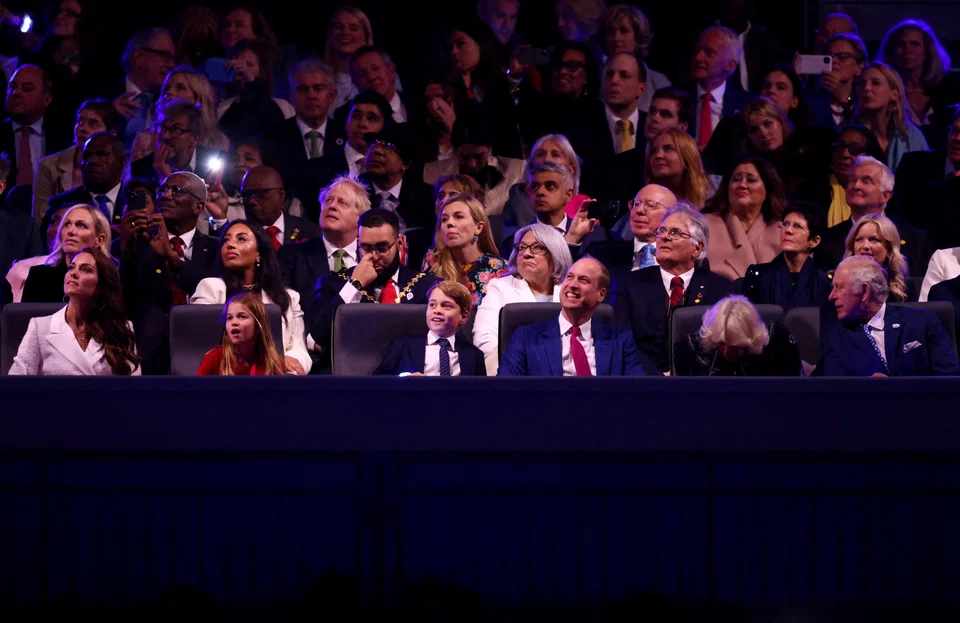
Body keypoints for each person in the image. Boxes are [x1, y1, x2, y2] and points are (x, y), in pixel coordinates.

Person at [612, 203, 732, 374]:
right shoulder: (629, 285)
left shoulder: (720, 289)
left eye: (675, 232)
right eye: (661, 231)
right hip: (644, 382)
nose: (664, 237)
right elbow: (623, 342)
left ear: (697, 248)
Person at [119, 172, 220, 374]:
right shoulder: (133, 245)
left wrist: (172, 257)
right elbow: (120, 299)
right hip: (145, 356)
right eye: (163, 190)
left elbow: (217, 290)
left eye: (176, 191)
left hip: (204, 350)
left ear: (198, 207)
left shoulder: (217, 249)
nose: (165, 196)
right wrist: (126, 249)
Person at [311, 209, 440, 364]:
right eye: (366, 247)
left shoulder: (427, 287)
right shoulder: (333, 283)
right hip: (351, 375)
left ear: (399, 244)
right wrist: (355, 285)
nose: (374, 256)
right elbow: (320, 335)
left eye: (382, 248)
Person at [190, 220, 312, 375]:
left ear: (259, 253)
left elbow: (299, 350)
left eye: (241, 239)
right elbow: (201, 342)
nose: (230, 244)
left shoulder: (288, 297)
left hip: (275, 380)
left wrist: (281, 365)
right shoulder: (210, 288)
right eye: (226, 240)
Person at [498, 257, 650, 376]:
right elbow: (506, 390)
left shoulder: (621, 341)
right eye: (570, 277)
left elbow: (637, 391)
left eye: (584, 280)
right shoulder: (526, 338)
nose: (573, 284)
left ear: (601, 294)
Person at [818, 255, 959, 376]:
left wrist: (894, 389)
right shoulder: (836, 336)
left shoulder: (923, 323)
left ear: (865, 291)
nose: (831, 296)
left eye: (839, 287)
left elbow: (949, 380)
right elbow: (835, 392)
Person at [10, 249, 140, 376]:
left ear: (101, 285)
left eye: (85, 269)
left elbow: (133, 389)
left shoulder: (122, 329)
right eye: (71, 267)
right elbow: (16, 384)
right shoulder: (40, 328)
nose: (74, 273)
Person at [473, 223, 572, 375]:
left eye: (537, 247)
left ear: (555, 253)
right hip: (515, 374)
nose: (526, 253)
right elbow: (484, 339)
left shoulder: (569, 290)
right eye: (522, 247)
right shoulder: (500, 287)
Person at [817, 155, 930, 275]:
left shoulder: (915, 239)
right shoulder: (827, 240)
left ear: (885, 195)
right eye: (852, 180)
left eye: (866, 181)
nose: (856, 186)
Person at [33, 99, 123, 224]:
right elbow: (41, 220)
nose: (83, 128)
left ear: (112, 133)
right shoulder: (49, 166)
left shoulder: (122, 165)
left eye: (93, 124)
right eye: (80, 121)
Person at [374, 280, 487, 376]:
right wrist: (404, 383)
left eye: (446, 306)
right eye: (432, 305)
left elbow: (481, 395)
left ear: (463, 317)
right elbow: (378, 382)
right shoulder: (403, 345)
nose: (437, 310)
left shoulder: (474, 355)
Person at [702, 156, 785, 282]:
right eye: (736, 179)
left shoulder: (783, 229)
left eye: (751, 180)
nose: (742, 185)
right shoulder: (703, 224)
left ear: (768, 189)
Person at [674, 295, 801, 376]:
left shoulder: (779, 339)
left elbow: (791, 387)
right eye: (721, 344)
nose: (727, 352)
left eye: (735, 346)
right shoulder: (688, 347)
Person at [742, 202, 832, 310]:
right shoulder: (758, 276)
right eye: (785, 224)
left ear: (814, 241)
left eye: (797, 226)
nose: (788, 230)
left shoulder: (826, 281)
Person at [422, 194, 507, 307]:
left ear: (478, 228)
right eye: (444, 219)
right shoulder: (433, 263)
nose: (449, 223)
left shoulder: (500, 269)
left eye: (459, 216)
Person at [1, 64, 73, 192]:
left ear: (46, 99)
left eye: (27, 88)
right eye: (12, 87)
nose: (16, 93)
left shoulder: (65, 137)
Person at [21, 203, 111, 303]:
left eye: (81, 225)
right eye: (67, 224)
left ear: (99, 240)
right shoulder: (39, 277)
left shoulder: (110, 279)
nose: (70, 231)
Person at [876, 19, 957, 129]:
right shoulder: (883, 90)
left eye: (914, 44)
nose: (907, 50)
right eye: (901, 44)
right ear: (891, 52)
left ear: (927, 51)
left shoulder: (950, 88)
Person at [127, 98, 229, 184]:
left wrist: (168, 178)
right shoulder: (141, 169)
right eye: (163, 128)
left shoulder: (215, 166)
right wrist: (162, 177)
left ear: (195, 138)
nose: (166, 136)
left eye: (176, 130)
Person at [586, 183, 677, 277]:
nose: (639, 210)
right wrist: (573, 239)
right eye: (636, 203)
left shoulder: (683, 259)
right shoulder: (602, 254)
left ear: (671, 214)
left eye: (650, 205)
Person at [854, 61, 929, 172]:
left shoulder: (912, 136)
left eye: (875, 83)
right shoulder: (851, 133)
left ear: (894, 94)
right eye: (862, 83)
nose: (867, 88)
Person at [688, 26, 753, 152]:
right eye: (698, 50)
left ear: (730, 65)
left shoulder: (747, 104)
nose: (698, 58)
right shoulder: (675, 97)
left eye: (709, 52)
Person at [596, 5, 670, 113]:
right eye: (611, 32)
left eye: (623, 31)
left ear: (638, 36)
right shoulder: (594, 76)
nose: (616, 38)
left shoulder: (658, 82)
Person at [196, 292, 285, 375]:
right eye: (229, 318)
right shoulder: (214, 358)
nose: (234, 322)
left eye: (242, 317)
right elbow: (195, 390)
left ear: (258, 326)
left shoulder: (273, 363)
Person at [48, 132, 126, 227]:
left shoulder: (134, 201)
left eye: (101, 155)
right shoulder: (61, 204)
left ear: (122, 163)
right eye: (87, 155)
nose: (91, 161)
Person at [843, 214, 913, 302]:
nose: (865, 246)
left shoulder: (905, 288)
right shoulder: (837, 285)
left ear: (889, 248)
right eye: (859, 239)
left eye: (874, 239)